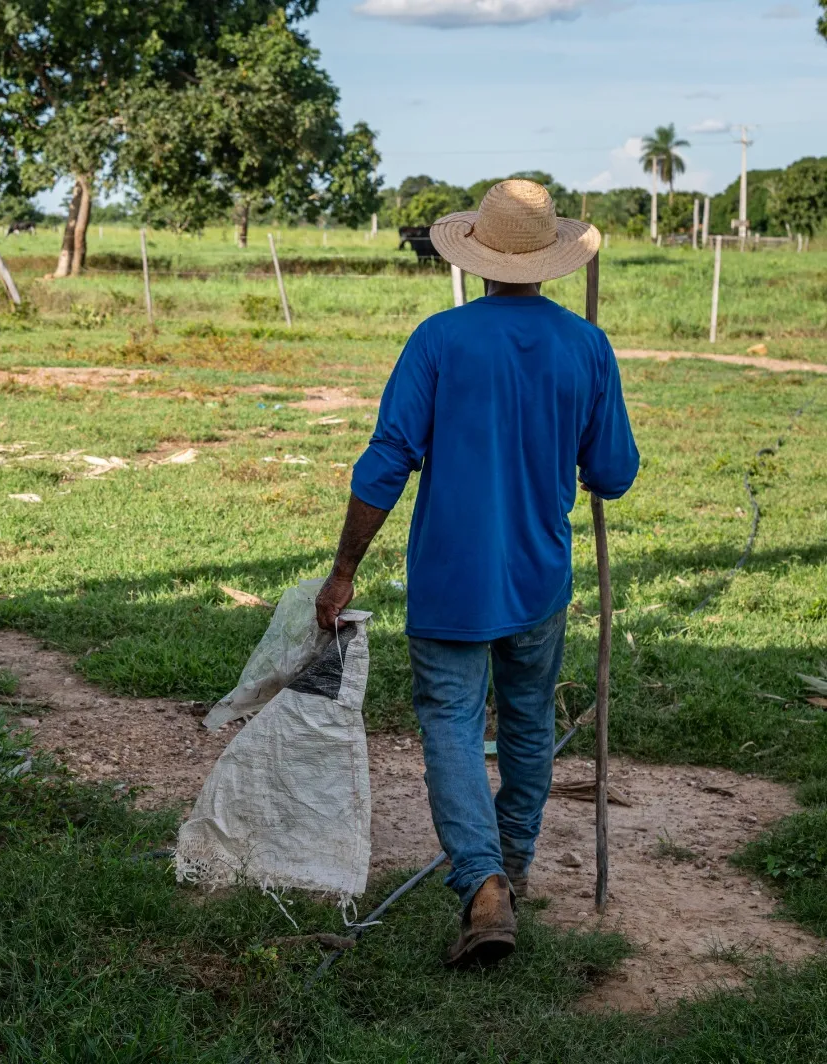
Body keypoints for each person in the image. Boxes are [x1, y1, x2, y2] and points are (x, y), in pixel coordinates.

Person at [314, 179, 639, 967]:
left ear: (479, 258)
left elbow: (388, 458)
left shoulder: (439, 339)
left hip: (450, 581)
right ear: (549, 262)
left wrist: (344, 568)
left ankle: (484, 880)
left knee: (453, 728)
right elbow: (615, 473)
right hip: (537, 579)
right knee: (527, 724)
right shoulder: (585, 346)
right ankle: (511, 867)